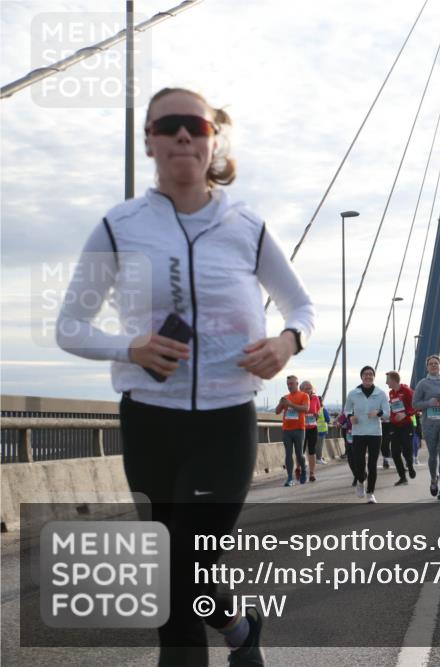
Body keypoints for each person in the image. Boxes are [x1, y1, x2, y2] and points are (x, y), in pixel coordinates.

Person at [55, 86, 315, 665]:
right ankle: (240, 627)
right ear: (148, 140)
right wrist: (131, 346)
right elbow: (71, 326)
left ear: (211, 139)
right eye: (166, 124)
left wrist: (286, 342)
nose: (180, 135)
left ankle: (240, 629)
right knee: (176, 576)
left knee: (178, 570)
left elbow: (301, 307)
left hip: (225, 422)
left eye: (193, 126)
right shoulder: (119, 227)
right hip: (149, 421)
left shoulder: (247, 226)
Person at [412, 355, 440, 500]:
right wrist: (428, 403)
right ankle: (433, 479)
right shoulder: (422, 384)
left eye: (436, 363)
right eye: (430, 364)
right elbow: (415, 404)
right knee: (433, 455)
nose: (433, 366)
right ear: (427, 367)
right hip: (429, 424)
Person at [344, 366, 390, 503]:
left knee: (372, 464)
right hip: (358, 432)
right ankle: (360, 481)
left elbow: (388, 414)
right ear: (361, 377)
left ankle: (370, 493)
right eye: (365, 374)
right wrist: (350, 417)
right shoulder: (353, 393)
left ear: (374, 377)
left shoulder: (381, 394)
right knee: (359, 463)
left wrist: (378, 413)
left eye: (370, 374)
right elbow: (346, 410)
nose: (368, 376)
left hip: (375, 433)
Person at [385, 370, 417, 485]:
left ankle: (410, 465)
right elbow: (393, 408)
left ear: (393, 380)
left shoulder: (407, 391)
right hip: (394, 426)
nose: (386, 383)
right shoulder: (391, 393)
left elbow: (415, 407)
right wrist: (390, 417)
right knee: (394, 452)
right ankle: (402, 477)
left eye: (387, 380)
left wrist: (405, 414)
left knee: (407, 451)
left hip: (406, 425)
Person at [277, 376, 310, 487]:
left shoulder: (304, 395)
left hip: (299, 429)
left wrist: (290, 404)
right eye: (288, 384)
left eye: (291, 383)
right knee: (288, 454)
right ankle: (290, 478)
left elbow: (305, 409)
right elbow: (277, 412)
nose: (289, 386)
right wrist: (281, 403)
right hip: (286, 429)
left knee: (299, 454)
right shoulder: (285, 397)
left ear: (297, 383)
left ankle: (304, 470)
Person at [300, 380, 321, 482]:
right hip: (301, 428)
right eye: (306, 388)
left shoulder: (315, 398)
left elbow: (317, 411)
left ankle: (312, 473)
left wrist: (317, 414)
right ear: (301, 389)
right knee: (301, 451)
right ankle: (300, 470)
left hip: (312, 427)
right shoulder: (299, 397)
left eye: (310, 388)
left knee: (312, 450)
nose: (308, 390)